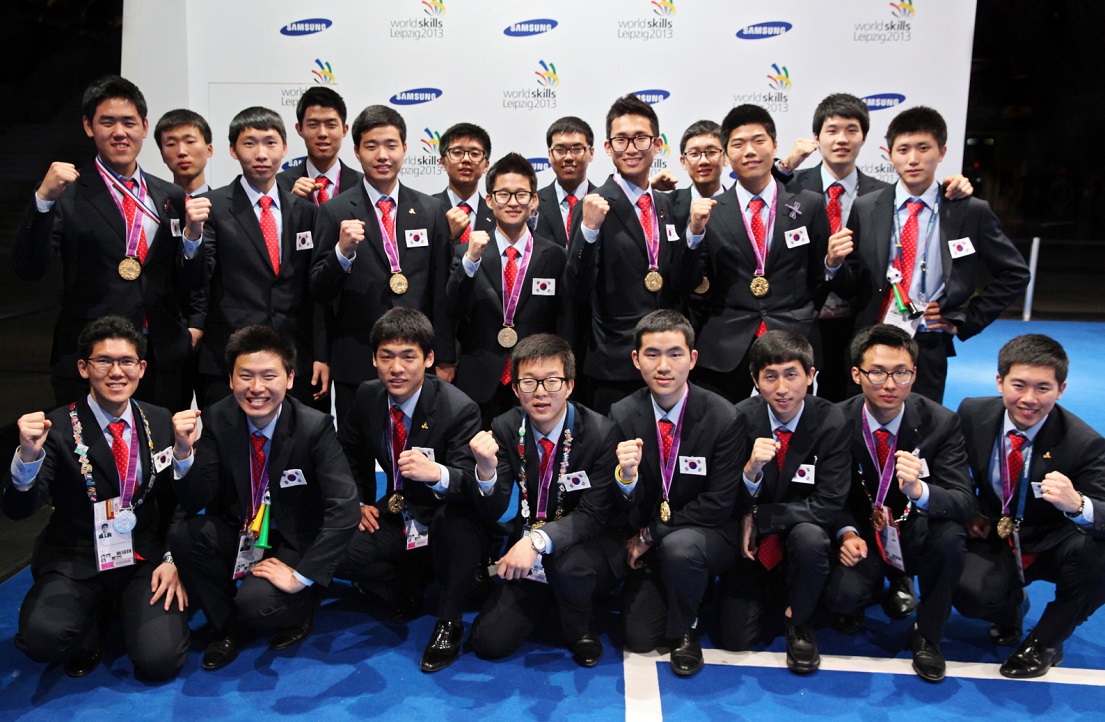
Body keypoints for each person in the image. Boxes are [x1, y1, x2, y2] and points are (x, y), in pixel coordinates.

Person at [1, 316, 189, 681]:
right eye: (104, 361)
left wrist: (171, 558)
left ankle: (118, 609)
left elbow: (177, 500)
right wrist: (26, 458)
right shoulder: (55, 428)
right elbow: (18, 509)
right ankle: (94, 617)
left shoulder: (160, 419)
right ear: (84, 368)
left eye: (127, 361)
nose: (116, 372)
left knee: (160, 661)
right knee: (42, 640)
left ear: (142, 368)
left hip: (142, 557)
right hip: (77, 556)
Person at [170, 325, 359, 671]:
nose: (256, 388)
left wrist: (302, 577)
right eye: (245, 376)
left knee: (258, 605)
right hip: (242, 530)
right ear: (231, 379)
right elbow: (197, 497)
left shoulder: (314, 426)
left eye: (269, 376)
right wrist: (183, 454)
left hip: (292, 539)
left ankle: (304, 603)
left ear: (290, 378)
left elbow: (344, 508)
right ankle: (227, 628)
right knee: (186, 536)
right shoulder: (216, 418)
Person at [13, 75, 204, 412]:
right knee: (91, 445)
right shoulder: (66, 193)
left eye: (129, 122)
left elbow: (183, 277)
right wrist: (43, 201)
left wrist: (192, 327)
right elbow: (30, 268)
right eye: (107, 122)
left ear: (144, 128)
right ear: (89, 126)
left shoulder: (171, 196)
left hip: (161, 358)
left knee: (161, 443)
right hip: (92, 358)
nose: (119, 132)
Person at [774, 94, 974, 401]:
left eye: (851, 130)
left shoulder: (882, 196)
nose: (842, 139)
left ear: (864, 138)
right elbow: (758, 194)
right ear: (817, 137)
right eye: (832, 130)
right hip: (803, 314)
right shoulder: (792, 185)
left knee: (853, 400)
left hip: (860, 316)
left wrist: (957, 186)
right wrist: (786, 165)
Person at [834, 106, 1030, 403]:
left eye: (923, 148)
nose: (913, 159)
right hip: (870, 339)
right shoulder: (867, 207)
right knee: (861, 422)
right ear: (889, 154)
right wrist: (833, 265)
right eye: (903, 149)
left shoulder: (968, 211)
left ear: (942, 152)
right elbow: (851, 276)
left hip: (928, 341)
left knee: (922, 423)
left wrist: (966, 318)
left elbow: (1015, 274)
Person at [334, 308, 486, 674]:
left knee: (456, 523)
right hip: (397, 509)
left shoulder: (458, 408)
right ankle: (408, 587)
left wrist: (438, 474)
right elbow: (348, 453)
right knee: (333, 549)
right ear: (374, 359)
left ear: (429, 359)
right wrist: (358, 501)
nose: (396, 368)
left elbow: (471, 482)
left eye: (408, 357)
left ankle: (449, 622)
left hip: (447, 513)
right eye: (386, 357)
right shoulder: (367, 396)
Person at [823, 324, 973, 682]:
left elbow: (963, 502)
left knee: (950, 537)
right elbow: (826, 492)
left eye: (901, 373)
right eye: (877, 372)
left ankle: (928, 634)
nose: (890, 384)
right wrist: (845, 532)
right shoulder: (834, 420)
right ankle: (874, 585)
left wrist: (920, 491)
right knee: (841, 598)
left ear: (915, 374)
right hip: (862, 532)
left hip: (916, 529)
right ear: (856, 374)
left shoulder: (941, 423)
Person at [953, 334, 1105, 678]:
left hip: (1056, 541)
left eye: (1043, 388)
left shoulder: (1084, 443)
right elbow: (954, 471)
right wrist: (972, 510)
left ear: (1061, 389)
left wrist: (1078, 504)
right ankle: (1009, 609)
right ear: (1000, 381)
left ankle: (1046, 642)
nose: (1029, 399)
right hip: (996, 531)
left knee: (1101, 556)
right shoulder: (972, 413)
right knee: (968, 592)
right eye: (1019, 385)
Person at [468, 334, 620, 667]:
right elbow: (495, 509)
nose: (540, 392)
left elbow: (593, 515)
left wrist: (537, 541)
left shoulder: (600, 433)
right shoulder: (505, 427)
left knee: (568, 566)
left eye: (552, 381)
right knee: (488, 643)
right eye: (528, 382)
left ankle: (580, 627)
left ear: (569, 385)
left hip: (582, 546)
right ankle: (550, 596)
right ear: (515, 388)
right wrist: (486, 471)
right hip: (528, 551)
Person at [610, 310, 744, 677]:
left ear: (693, 358)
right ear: (636, 359)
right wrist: (627, 478)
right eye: (652, 354)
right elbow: (621, 502)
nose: (664, 366)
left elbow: (719, 504)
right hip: (655, 539)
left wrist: (651, 534)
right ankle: (684, 585)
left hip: (709, 533)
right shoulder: (622, 413)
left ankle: (688, 628)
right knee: (639, 638)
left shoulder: (723, 417)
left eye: (675, 354)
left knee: (680, 548)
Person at [310, 104, 454, 426]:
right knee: (357, 448)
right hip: (357, 358)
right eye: (371, 146)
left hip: (417, 359)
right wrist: (341, 253)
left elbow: (440, 291)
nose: (382, 155)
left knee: (419, 443)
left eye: (391, 145)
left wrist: (444, 356)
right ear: (357, 152)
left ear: (405, 148)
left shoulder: (431, 210)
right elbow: (319, 292)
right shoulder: (334, 211)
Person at [684, 104, 839, 403]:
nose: (750, 151)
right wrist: (695, 234)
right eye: (738, 144)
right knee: (726, 427)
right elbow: (689, 283)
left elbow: (818, 280)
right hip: (726, 349)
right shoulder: (710, 212)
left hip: (795, 340)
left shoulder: (808, 204)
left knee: (793, 427)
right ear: (726, 156)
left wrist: (805, 309)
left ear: (775, 146)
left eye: (758, 141)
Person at [717, 331, 850, 675]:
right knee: (734, 639)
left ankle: (800, 621)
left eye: (792, 375)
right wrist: (750, 471)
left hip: (800, 536)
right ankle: (772, 591)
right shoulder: (738, 418)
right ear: (755, 380)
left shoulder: (831, 420)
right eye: (770, 377)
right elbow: (722, 496)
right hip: (751, 547)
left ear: (811, 375)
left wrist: (760, 516)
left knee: (810, 537)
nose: (782, 389)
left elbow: (829, 503)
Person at [183, 106, 329, 410]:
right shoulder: (211, 207)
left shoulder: (306, 211)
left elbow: (315, 291)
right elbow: (196, 280)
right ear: (233, 150)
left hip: (294, 357)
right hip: (230, 358)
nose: (261, 154)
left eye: (270, 143)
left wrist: (321, 353)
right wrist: (192, 236)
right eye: (249, 144)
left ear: (285, 148)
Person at [566, 95, 691, 413]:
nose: (631, 148)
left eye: (640, 138)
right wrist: (589, 231)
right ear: (608, 147)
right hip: (614, 361)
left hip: (667, 363)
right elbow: (576, 287)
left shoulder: (666, 205)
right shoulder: (593, 205)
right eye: (621, 140)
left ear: (657, 144)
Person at [447, 152, 568, 426]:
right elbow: (453, 308)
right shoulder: (467, 253)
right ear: (489, 200)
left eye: (521, 195)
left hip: (537, 381)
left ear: (534, 201)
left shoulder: (554, 256)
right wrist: (470, 261)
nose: (512, 202)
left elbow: (563, 320)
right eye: (503, 194)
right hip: (480, 380)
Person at [650, 120, 729, 332]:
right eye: (694, 154)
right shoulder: (665, 205)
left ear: (725, 157)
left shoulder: (739, 205)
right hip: (675, 320)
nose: (703, 160)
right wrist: (647, 187)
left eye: (711, 152)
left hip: (728, 320)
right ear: (683, 162)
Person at [276, 86, 363, 204]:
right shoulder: (279, 185)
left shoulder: (363, 185)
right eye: (313, 125)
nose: (322, 133)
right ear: (299, 129)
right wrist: (290, 205)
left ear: (344, 130)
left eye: (331, 125)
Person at [534, 116, 597, 248]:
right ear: (549, 154)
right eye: (560, 150)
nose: (568, 157)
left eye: (577, 149)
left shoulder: (605, 202)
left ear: (591, 153)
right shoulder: (533, 205)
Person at [433, 122, 496, 245]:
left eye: (475, 154)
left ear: (486, 165)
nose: (466, 159)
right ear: (442, 162)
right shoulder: (427, 210)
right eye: (457, 152)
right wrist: (447, 235)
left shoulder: (497, 213)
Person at [154, 108, 214, 196]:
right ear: (162, 155)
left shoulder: (223, 204)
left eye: (190, 141)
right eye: (171, 144)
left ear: (209, 150)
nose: (181, 152)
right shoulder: (151, 204)